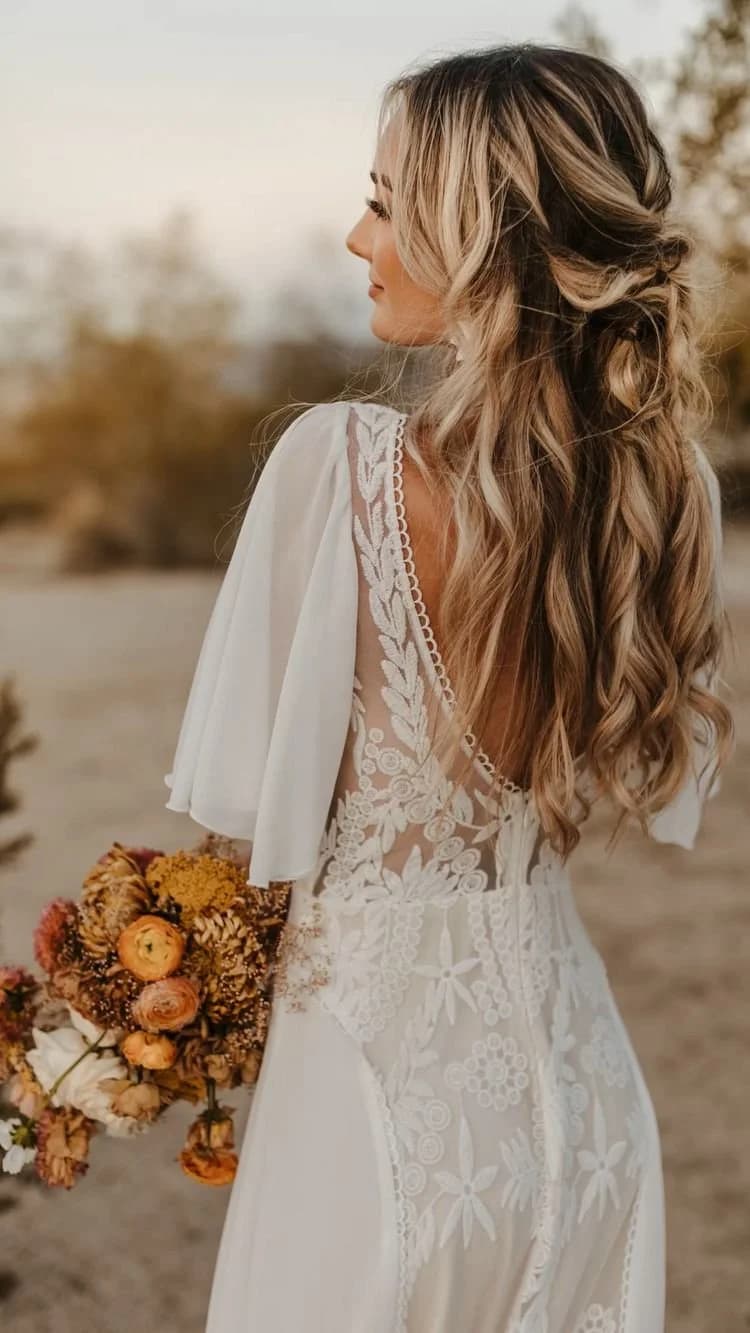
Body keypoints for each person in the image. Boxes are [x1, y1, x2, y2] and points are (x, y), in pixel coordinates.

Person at [163, 42, 734, 1333]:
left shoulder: (338, 466)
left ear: (479, 233)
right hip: (580, 1107)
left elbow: (238, 827)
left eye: (384, 198)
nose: (355, 233)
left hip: (367, 1092)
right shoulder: (668, 494)